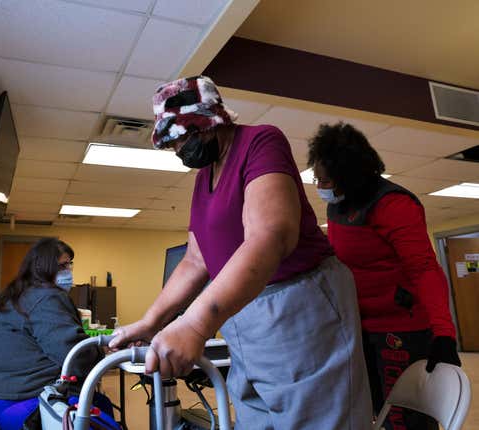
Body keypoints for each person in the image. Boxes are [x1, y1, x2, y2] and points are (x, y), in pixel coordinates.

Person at [109, 76, 372, 429]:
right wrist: (151, 321)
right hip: (244, 316)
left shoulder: (260, 140)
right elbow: (196, 259)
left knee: (316, 418)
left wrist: (196, 323)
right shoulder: (205, 176)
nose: (177, 148)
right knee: (255, 417)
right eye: (171, 142)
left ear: (210, 121)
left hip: (299, 307)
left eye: (183, 136)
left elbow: (271, 236)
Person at [307, 122, 462, 430]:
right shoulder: (339, 205)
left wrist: (444, 332)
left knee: (403, 420)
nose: (319, 185)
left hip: (400, 329)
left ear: (348, 177)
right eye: (316, 177)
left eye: (324, 179)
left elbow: (424, 269)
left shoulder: (393, 204)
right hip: (360, 327)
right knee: (374, 411)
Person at [0, 238, 102, 430]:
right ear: (42, 268)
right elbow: (76, 358)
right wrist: (103, 349)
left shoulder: (16, 295)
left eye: (69, 264)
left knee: (100, 402)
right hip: (18, 405)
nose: (68, 272)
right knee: (103, 415)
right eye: (62, 266)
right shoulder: (46, 297)